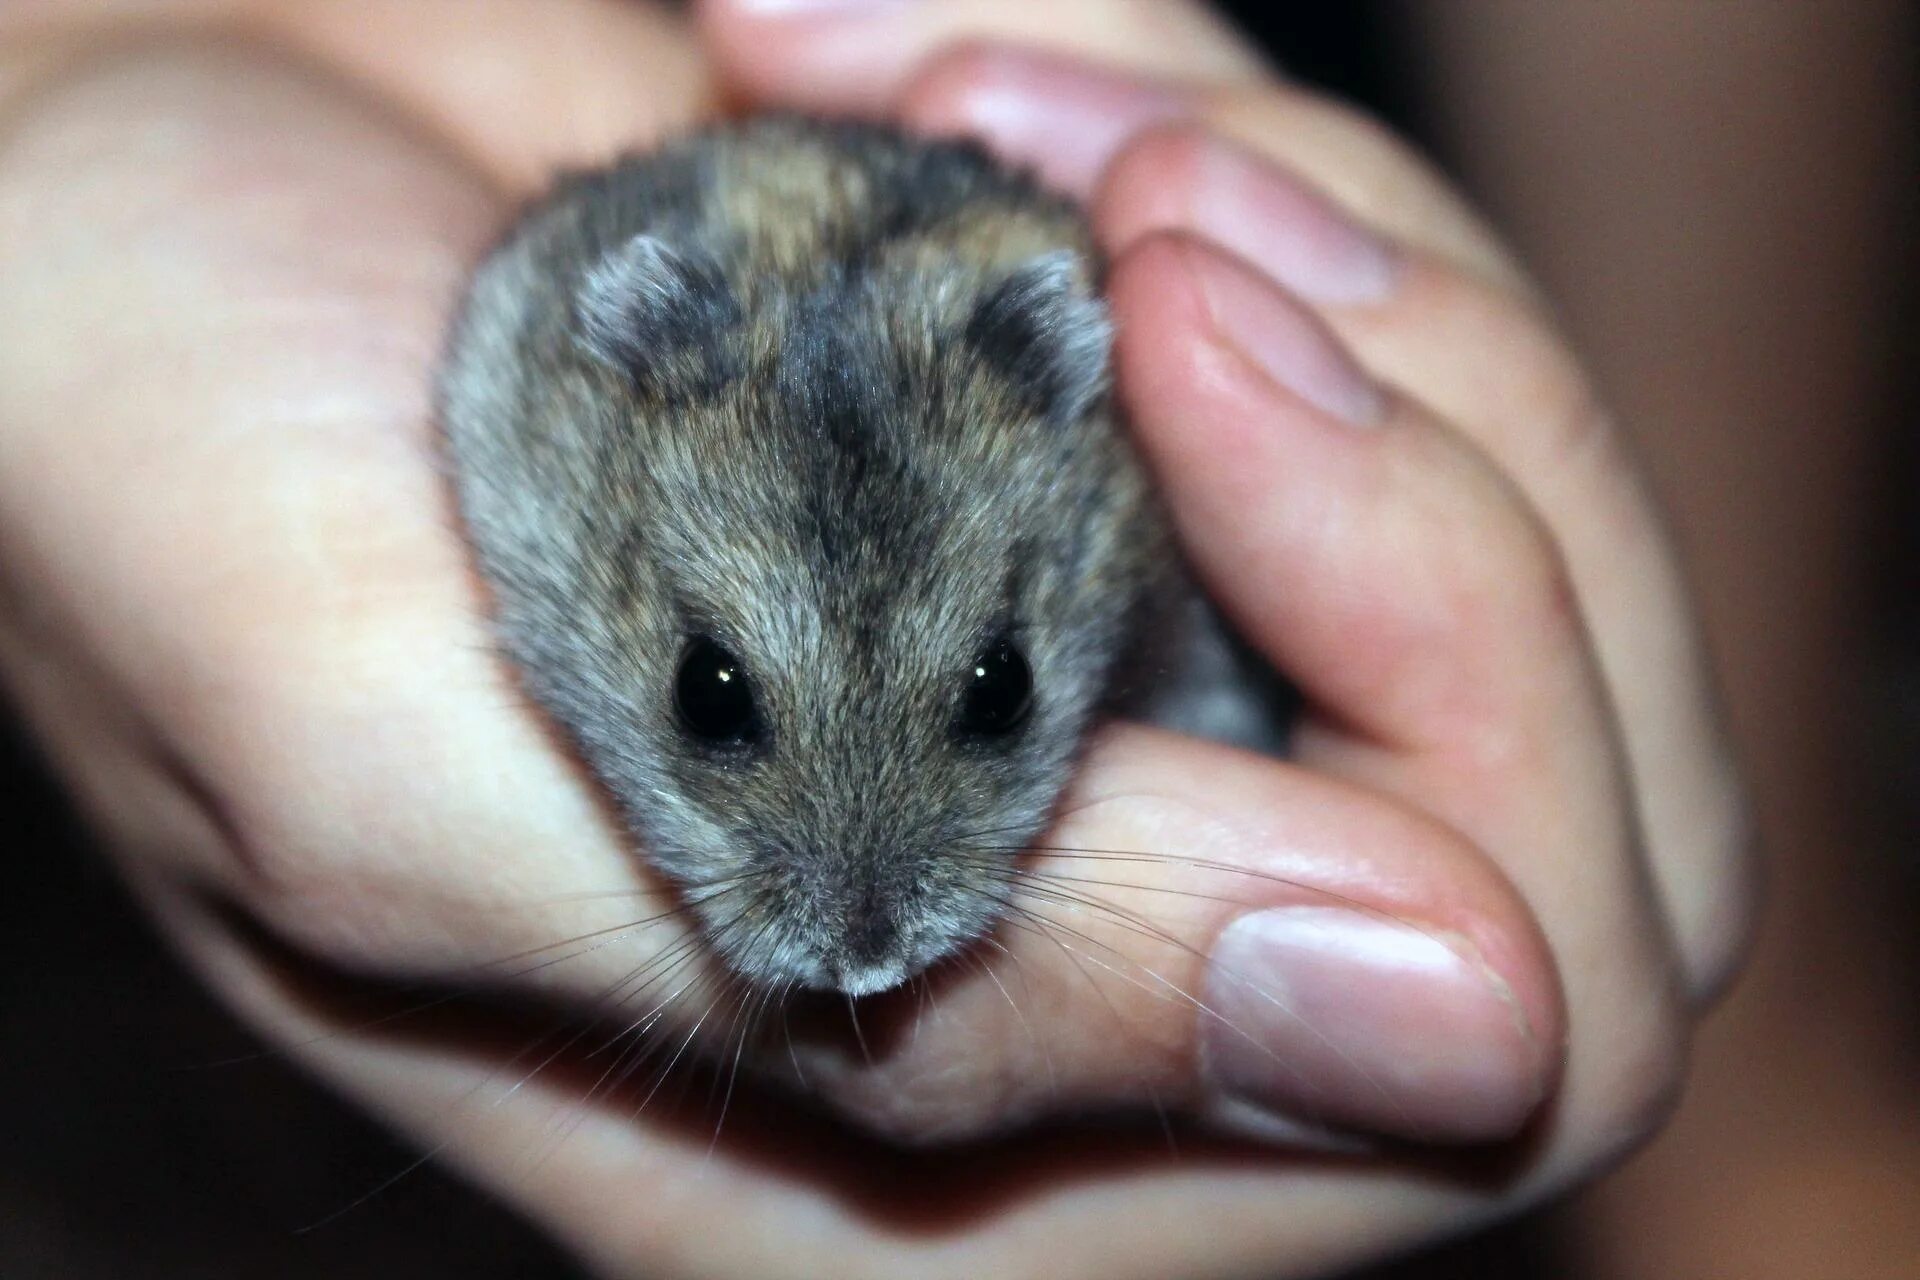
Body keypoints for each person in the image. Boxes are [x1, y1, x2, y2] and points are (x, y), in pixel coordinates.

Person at [7, 1, 1883, 1275]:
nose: (863, 914)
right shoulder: (589, 375)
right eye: (722, 703)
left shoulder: (1064, 405)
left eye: (984, 703)